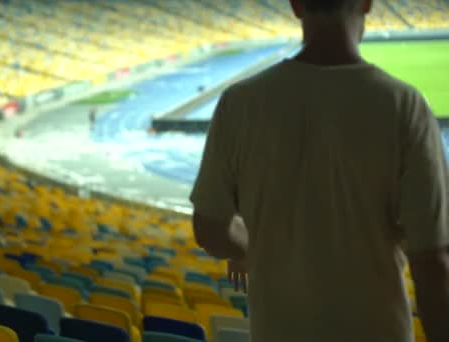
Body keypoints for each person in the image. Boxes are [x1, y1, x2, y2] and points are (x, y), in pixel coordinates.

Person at [190, 1, 449, 341]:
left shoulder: (238, 103)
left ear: (296, 6)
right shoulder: (404, 105)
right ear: (367, 3)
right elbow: (432, 260)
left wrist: (248, 247)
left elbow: (210, 227)